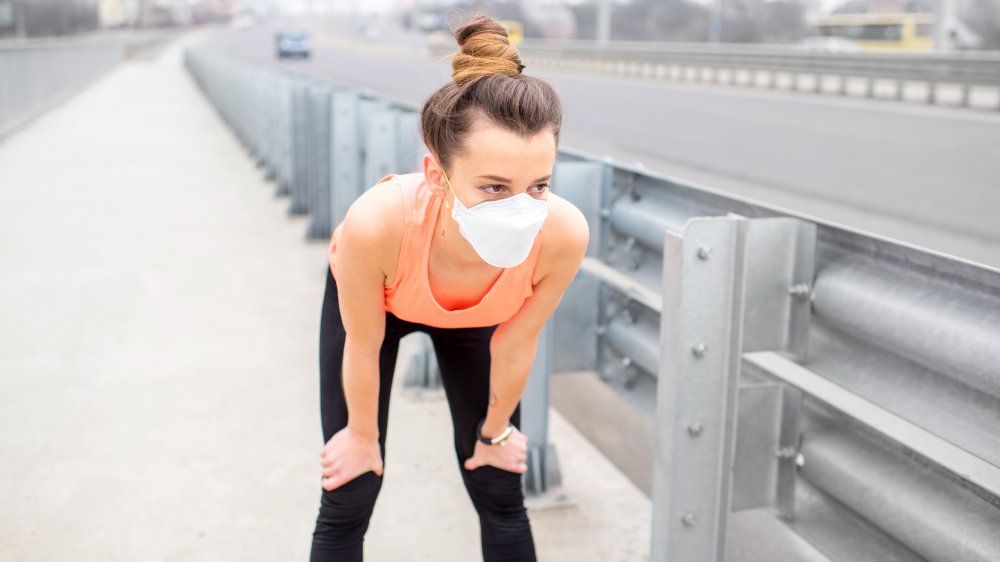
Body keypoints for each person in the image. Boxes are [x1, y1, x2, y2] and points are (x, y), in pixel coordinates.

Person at [310, 13, 589, 562]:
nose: (520, 207)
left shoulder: (561, 233)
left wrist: (494, 435)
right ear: (437, 175)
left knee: (499, 485)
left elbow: (515, 342)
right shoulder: (377, 224)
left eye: (539, 185)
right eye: (494, 186)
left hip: (478, 325)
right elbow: (362, 345)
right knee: (350, 486)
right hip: (379, 310)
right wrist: (362, 436)